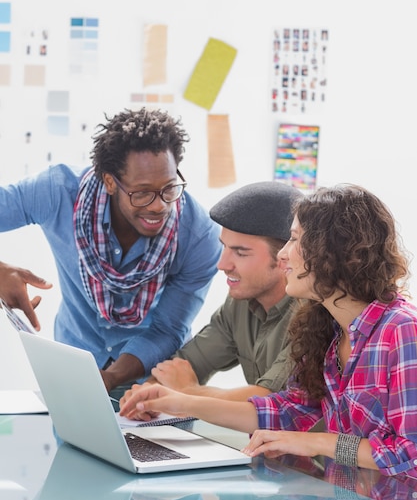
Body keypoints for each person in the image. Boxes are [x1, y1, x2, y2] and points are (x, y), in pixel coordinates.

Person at [120, 183, 417, 478]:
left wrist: (314, 441)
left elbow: (408, 453)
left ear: (334, 253)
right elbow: (286, 411)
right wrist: (179, 402)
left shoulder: (402, 329)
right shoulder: (326, 327)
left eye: (294, 240)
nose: (284, 254)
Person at [0, 107, 221, 399]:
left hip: (153, 386)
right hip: (73, 373)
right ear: (109, 182)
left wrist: (110, 378)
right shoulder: (57, 192)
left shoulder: (198, 235)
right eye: (142, 192)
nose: (160, 206)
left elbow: (168, 329)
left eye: (169, 188)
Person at [125, 181, 302, 404]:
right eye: (224, 247)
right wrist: (146, 395)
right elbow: (186, 364)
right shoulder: (239, 303)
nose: (222, 264)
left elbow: (269, 402)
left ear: (286, 256)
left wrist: (189, 391)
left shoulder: (311, 314)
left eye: (240, 253)